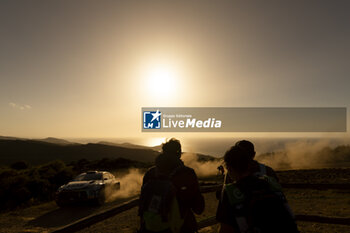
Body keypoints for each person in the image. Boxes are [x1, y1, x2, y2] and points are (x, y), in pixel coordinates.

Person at [216, 145, 299, 233]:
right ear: (249, 164)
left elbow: (226, 229)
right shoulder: (270, 182)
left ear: (229, 168)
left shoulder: (231, 192)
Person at [139, 138, 205, 233]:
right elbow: (199, 208)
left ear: (163, 152)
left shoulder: (150, 173)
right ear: (179, 153)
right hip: (181, 228)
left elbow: (144, 202)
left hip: (150, 228)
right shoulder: (187, 173)